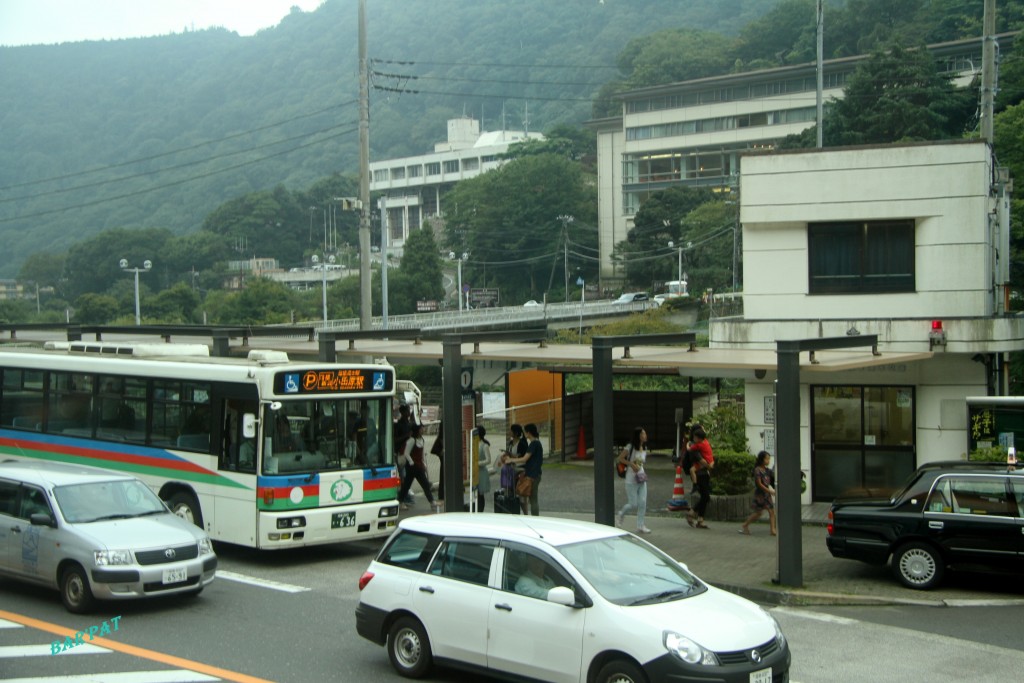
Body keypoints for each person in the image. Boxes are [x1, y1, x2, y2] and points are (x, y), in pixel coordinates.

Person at [615, 427, 651, 534]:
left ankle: (640, 525)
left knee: (643, 502)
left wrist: (639, 466)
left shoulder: (644, 447)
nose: (645, 435)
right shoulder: (630, 447)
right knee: (633, 504)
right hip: (631, 479)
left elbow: (641, 461)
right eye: (643, 434)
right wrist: (631, 464)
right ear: (639, 435)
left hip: (641, 476)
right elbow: (620, 458)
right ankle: (621, 514)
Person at [502, 423, 543, 515]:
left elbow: (525, 458)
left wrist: (511, 459)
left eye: (525, 432)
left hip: (533, 475)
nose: (524, 433)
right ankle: (533, 517)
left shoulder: (534, 444)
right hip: (534, 473)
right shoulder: (536, 443)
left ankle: (535, 518)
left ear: (529, 432)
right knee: (531, 498)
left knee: (533, 500)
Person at [397, 423, 436, 511]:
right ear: (417, 430)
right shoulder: (412, 440)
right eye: (421, 428)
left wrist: (423, 463)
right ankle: (432, 502)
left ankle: (432, 501)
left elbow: (421, 453)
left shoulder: (421, 440)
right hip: (412, 467)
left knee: (421, 484)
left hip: (418, 466)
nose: (423, 430)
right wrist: (411, 462)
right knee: (413, 484)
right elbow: (406, 453)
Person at [740, 451, 777, 536]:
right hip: (760, 495)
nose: (768, 461)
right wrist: (770, 491)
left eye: (769, 459)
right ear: (762, 459)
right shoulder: (757, 470)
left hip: (767, 495)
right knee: (758, 512)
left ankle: (773, 530)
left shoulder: (767, 470)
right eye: (767, 459)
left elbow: (773, 478)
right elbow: (759, 484)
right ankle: (745, 525)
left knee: (771, 511)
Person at [685, 424, 714, 529]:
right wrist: (709, 465)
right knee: (706, 496)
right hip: (700, 473)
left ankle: (700, 520)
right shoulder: (695, 446)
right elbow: (700, 460)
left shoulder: (701, 442)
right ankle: (691, 512)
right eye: (702, 429)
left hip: (704, 472)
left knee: (705, 497)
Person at [474, 426, 496, 512]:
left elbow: (488, 460)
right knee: (475, 493)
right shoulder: (474, 443)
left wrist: (477, 463)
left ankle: (480, 511)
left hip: (481, 472)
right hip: (475, 472)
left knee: (480, 494)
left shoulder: (484, 445)